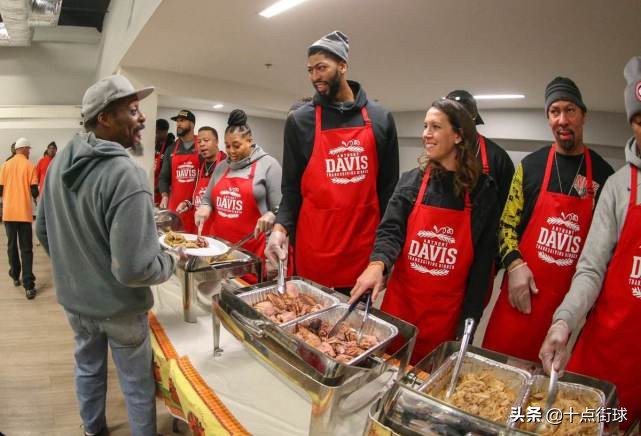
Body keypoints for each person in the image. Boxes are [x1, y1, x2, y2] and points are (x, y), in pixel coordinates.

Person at [35, 75, 176, 436]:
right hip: (120, 308)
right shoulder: (126, 174)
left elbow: (42, 230)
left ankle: (92, 429)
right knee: (136, 384)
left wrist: (72, 269)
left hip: (76, 303)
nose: (142, 118)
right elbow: (133, 269)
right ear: (105, 119)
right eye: (131, 110)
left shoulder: (59, 163)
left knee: (87, 367)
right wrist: (170, 262)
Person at [349, 99, 499, 362]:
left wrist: (468, 325)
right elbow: (390, 231)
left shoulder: (483, 192)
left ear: (458, 136)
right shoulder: (410, 182)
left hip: (445, 318)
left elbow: (481, 269)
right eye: (425, 126)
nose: (425, 134)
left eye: (435, 127)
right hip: (400, 310)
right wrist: (378, 263)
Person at [539, 56, 641, 430]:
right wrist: (563, 323)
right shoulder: (618, 186)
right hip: (603, 348)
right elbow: (591, 268)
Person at [482, 77, 614, 362]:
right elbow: (506, 225)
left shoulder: (604, 176)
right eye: (555, 111)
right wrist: (514, 265)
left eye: (570, 110)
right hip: (519, 298)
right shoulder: (530, 166)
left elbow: (604, 249)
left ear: (583, 116)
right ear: (548, 118)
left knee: (543, 395)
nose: (563, 119)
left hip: (566, 307)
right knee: (490, 378)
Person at [265, 31, 399, 294]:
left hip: (361, 256)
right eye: (310, 70)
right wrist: (280, 228)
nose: (315, 76)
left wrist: (384, 258)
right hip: (313, 253)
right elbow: (291, 189)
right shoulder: (300, 121)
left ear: (343, 65)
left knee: (350, 334)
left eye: (322, 68)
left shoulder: (380, 118)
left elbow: (388, 192)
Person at [196, 110, 282, 279]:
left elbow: (281, 208)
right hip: (220, 249)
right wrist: (205, 208)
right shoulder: (221, 167)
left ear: (250, 141)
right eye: (227, 146)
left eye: (236, 145)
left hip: (252, 252)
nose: (231, 151)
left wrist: (272, 215)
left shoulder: (269, 165)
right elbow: (207, 198)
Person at [445, 90, 514, 209]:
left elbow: (509, 207)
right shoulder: (441, 153)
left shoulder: (497, 157)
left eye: (462, 119)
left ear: (473, 120)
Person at [0, 137, 38, 299]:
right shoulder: (29, 166)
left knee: (11, 246)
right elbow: (35, 191)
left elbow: (0, 190)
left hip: (8, 213)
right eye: (28, 149)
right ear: (22, 149)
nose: (29, 151)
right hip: (23, 213)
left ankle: (15, 276)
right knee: (26, 249)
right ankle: (28, 285)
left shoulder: (5, 165)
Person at [176, 125, 225, 235]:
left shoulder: (225, 164)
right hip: (198, 225)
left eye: (206, 140)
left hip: (215, 228)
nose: (202, 144)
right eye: (199, 141)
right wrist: (188, 203)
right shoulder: (200, 164)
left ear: (217, 142)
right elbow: (197, 192)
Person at [158, 109, 200, 233]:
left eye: (182, 121)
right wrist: (164, 196)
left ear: (192, 124)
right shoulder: (171, 149)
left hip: (197, 206)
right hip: (175, 206)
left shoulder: (201, 147)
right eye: (177, 121)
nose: (178, 124)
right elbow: (163, 177)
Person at [153, 119, 175, 205]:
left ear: (165, 132)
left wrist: (160, 187)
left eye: (158, 132)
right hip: (154, 184)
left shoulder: (170, 147)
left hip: (163, 189)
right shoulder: (155, 144)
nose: (156, 135)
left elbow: (169, 172)